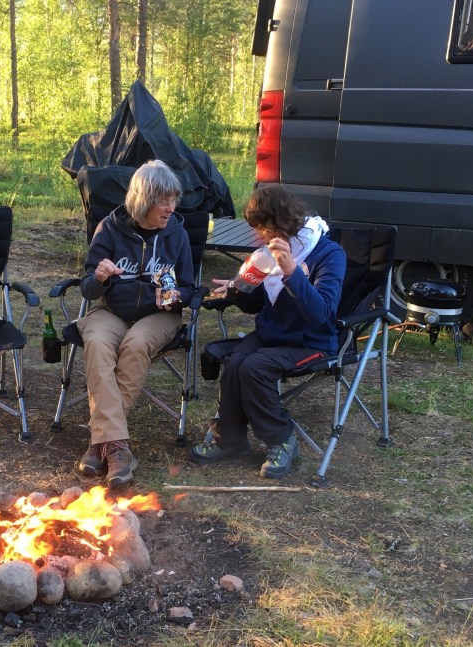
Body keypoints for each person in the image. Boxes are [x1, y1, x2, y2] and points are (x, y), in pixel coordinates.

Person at [189, 185, 345, 478]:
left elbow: (320, 314)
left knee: (254, 368)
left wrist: (292, 272)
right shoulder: (270, 252)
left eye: (262, 228)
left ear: (280, 221)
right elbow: (256, 305)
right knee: (234, 363)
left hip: (311, 342)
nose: (258, 236)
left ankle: (282, 439)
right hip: (271, 335)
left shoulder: (328, 254)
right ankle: (229, 441)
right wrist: (237, 289)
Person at [76, 159, 196, 487]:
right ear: (143, 201)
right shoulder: (109, 228)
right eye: (163, 201)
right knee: (96, 341)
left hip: (159, 315)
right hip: (112, 310)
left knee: (136, 343)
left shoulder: (177, 234)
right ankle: (116, 448)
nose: (171, 208)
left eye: (173, 200)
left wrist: (176, 296)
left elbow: (189, 288)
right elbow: (87, 288)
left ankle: (101, 444)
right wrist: (99, 278)